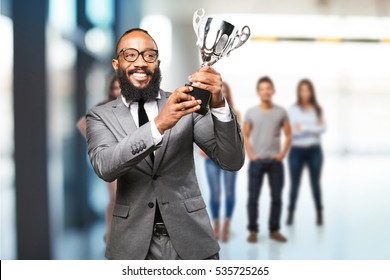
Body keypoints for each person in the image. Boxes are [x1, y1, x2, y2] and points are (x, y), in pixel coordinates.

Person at [86, 28, 244, 260]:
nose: (140, 63)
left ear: (157, 62)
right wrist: (158, 125)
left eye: (149, 55)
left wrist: (219, 104)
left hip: (192, 241)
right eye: (130, 55)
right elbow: (105, 167)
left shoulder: (184, 105)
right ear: (116, 64)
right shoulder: (99, 116)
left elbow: (231, 161)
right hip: (131, 246)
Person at [243, 76, 292, 243]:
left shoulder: (281, 112)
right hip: (257, 162)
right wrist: (251, 155)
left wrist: (282, 154)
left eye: (268, 88)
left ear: (273, 91)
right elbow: (245, 135)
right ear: (258, 92)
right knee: (253, 198)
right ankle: (253, 231)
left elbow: (289, 134)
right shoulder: (251, 112)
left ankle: (274, 230)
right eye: (262, 89)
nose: (266, 91)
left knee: (277, 198)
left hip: (275, 162)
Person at [76, 76, 121, 243]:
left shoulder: (128, 107)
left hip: (124, 157)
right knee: (114, 196)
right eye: (115, 88)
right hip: (107, 158)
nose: (118, 91)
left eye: (120, 87)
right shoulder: (103, 106)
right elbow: (82, 124)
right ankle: (110, 234)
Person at [200, 82, 241, 242]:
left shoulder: (234, 113)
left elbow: (239, 138)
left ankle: (227, 225)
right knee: (215, 194)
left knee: (229, 193)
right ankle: (216, 224)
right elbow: (201, 136)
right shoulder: (205, 113)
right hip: (211, 160)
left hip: (230, 161)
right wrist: (204, 150)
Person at [286, 79, 326, 226]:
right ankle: (290, 213)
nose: (305, 93)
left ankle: (319, 212)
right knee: (294, 183)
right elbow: (294, 132)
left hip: (315, 150)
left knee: (315, 183)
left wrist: (305, 128)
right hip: (297, 150)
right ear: (299, 92)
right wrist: (313, 127)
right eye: (302, 90)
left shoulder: (317, 109)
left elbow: (323, 128)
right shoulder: (293, 110)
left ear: (311, 92)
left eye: (307, 90)